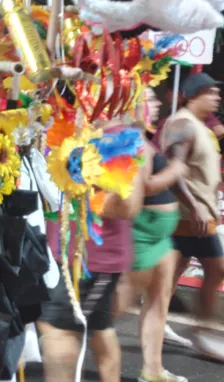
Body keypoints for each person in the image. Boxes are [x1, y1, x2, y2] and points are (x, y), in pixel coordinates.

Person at [38, 126, 147, 382]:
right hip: (63, 254)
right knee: (99, 331)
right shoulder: (59, 123)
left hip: (90, 260)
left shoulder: (118, 135)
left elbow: (129, 207)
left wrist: (83, 183)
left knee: (59, 336)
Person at [160, 73, 224, 364]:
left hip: (196, 213)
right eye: (210, 92)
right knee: (219, 269)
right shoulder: (183, 125)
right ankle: (205, 334)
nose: (217, 98)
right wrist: (195, 206)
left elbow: (193, 169)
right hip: (191, 215)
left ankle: (154, 322)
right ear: (192, 95)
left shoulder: (198, 127)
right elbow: (173, 172)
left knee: (170, 274)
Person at [116, 88, 189, 382]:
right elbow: (144, 186)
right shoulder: (131, 141)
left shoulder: (142, 139)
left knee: (159, 303)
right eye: (150, 99)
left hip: (159, 237)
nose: (157, 104)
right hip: (142, 235)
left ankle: (154, 370)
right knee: (115, 307)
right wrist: (177, 168)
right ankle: (65, 337)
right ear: (130, 104)